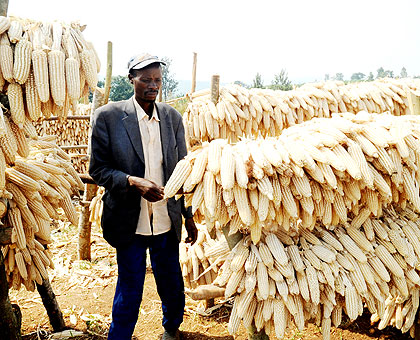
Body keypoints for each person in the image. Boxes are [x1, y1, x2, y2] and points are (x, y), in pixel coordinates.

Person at [89, 53, 197, 340]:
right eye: (146, 79)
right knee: (130, 286)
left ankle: (171, 328)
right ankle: (120, 335)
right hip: (128, 220)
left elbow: (182, 170)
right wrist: (131, 181)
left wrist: (188, 217)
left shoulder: (172, 118)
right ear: (131, 80)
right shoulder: (108, 117)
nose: (153, 85)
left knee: (171, 281)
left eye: (157, 80)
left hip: (165, 217)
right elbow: (98, 169)